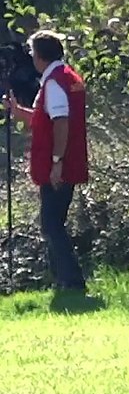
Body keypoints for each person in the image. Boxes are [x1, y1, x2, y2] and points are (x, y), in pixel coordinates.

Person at [8, 30, 90, 292]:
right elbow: (49, 118)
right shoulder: (68, 77)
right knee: (54, 222)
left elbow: (61, 122)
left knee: (52, 224)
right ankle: (63, 280)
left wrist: (56, 161)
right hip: (70, 160)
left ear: (39, 56)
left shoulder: (54, 82)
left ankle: (72, 280)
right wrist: (21, 113)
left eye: (33, 52)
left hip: (59, 165)